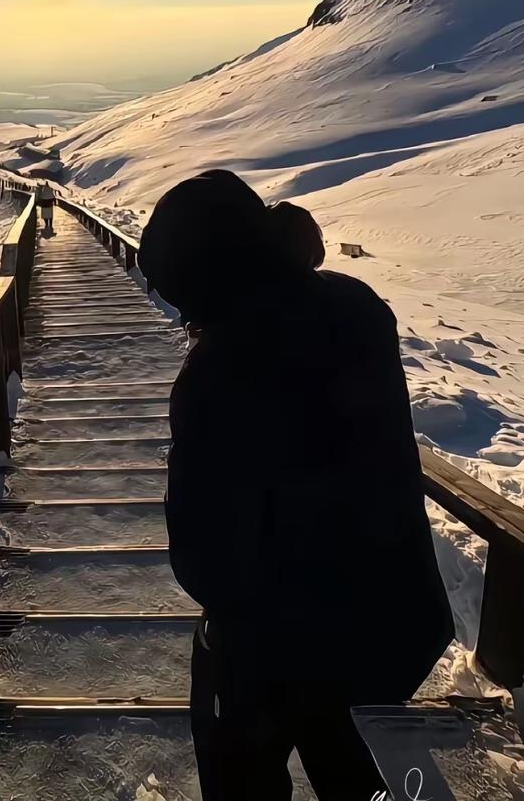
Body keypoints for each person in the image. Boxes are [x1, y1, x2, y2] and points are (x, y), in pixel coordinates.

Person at [138, 170, 452, 801]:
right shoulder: (357, 303)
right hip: (394, 611)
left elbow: (206, 558)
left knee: (240, 754)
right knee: (357, 766)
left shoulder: (218, 368)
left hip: (282, 643)